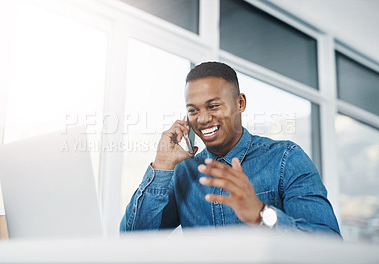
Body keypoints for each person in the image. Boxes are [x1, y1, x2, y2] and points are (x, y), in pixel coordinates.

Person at [120, 62, 341, 236]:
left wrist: (261, 214)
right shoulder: (184, 172)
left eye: (213, 106)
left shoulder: (286, 159)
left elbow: (328, 246)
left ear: (240, 103)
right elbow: (133, 240)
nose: (203, 119)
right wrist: (162, 166)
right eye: (193, 110)